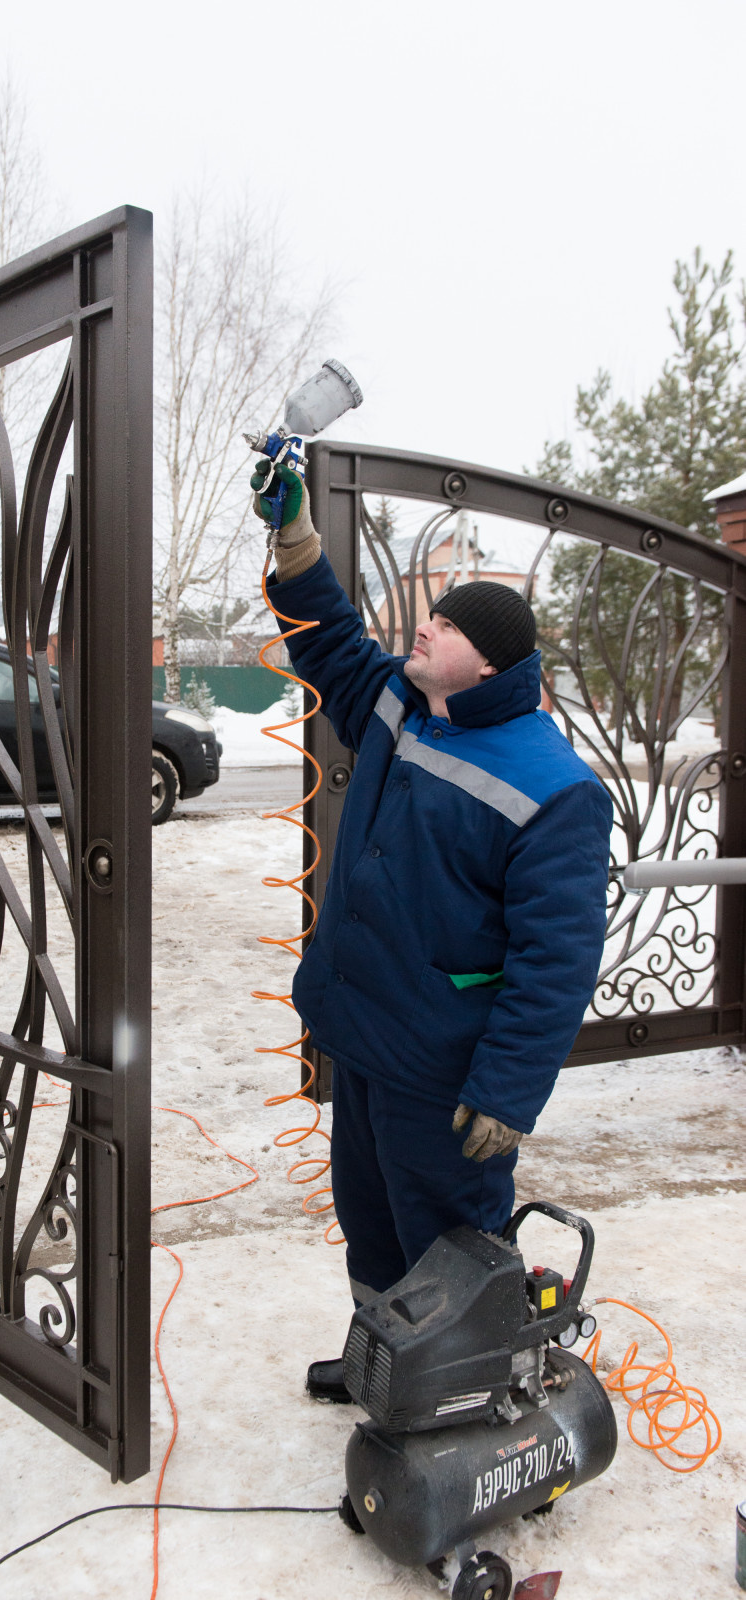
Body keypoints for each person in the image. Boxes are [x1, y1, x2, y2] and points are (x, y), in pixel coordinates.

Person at [253, 463, 613, 1403]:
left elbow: (557, 959)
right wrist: (295, 541)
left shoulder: (557, 788)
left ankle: (470, 1400)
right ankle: (386, 1365)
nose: (426, 626)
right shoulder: (402, 704)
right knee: (371, 1222)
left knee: (446, 1239)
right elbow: (330, 636)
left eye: (448, 626)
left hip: (445, 1073)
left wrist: (507, 1091)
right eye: (433, 615)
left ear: (488, 665)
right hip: (366, 1041)